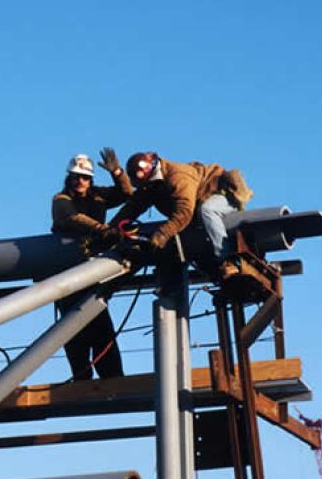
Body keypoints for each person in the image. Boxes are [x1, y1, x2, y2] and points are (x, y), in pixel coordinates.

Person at [51, 147, 133, 380]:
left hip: (91, 269)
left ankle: (113, 378)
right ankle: (82, 378)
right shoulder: (61, 200)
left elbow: (126, 194)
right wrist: (103, 230)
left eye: (85, 177)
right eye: (77, 176)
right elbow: (73, 218)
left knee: (100, 326)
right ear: (70, 177)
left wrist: (117, 172)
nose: (81, 181)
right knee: (73, 328)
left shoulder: (97, 195)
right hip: (66, 272)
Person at [109, 151, 253, 278]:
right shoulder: (151, 185)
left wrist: (162, 234)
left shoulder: (177, 176)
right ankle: (214, 271)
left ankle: (228, 260)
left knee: (208, 210)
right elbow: (133, 207)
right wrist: (109, 230)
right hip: (195, 207)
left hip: (220, 193)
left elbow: (184, 212)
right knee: (188, 239)